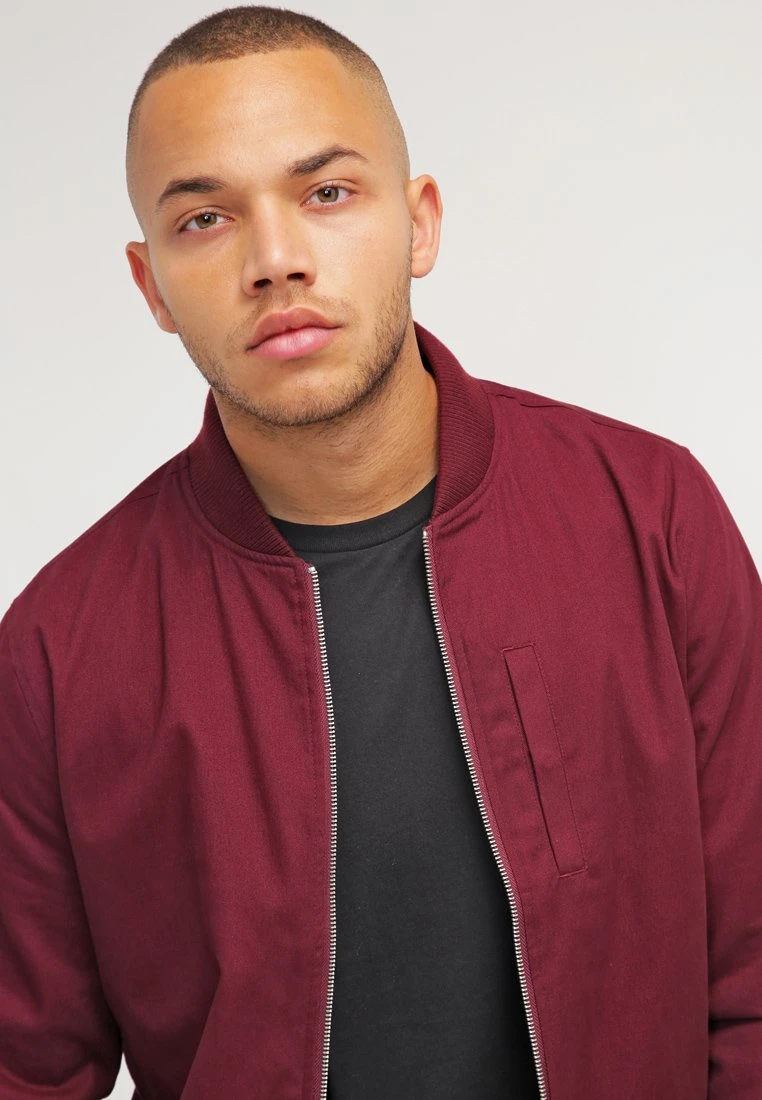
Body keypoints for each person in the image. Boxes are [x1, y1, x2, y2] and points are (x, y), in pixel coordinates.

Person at [1, 5, 760, 1098]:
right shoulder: (58, 650)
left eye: (326, 193)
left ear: (420, 224)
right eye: (206, 218)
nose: (275, 261)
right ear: (150, 283)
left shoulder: (653, 514)